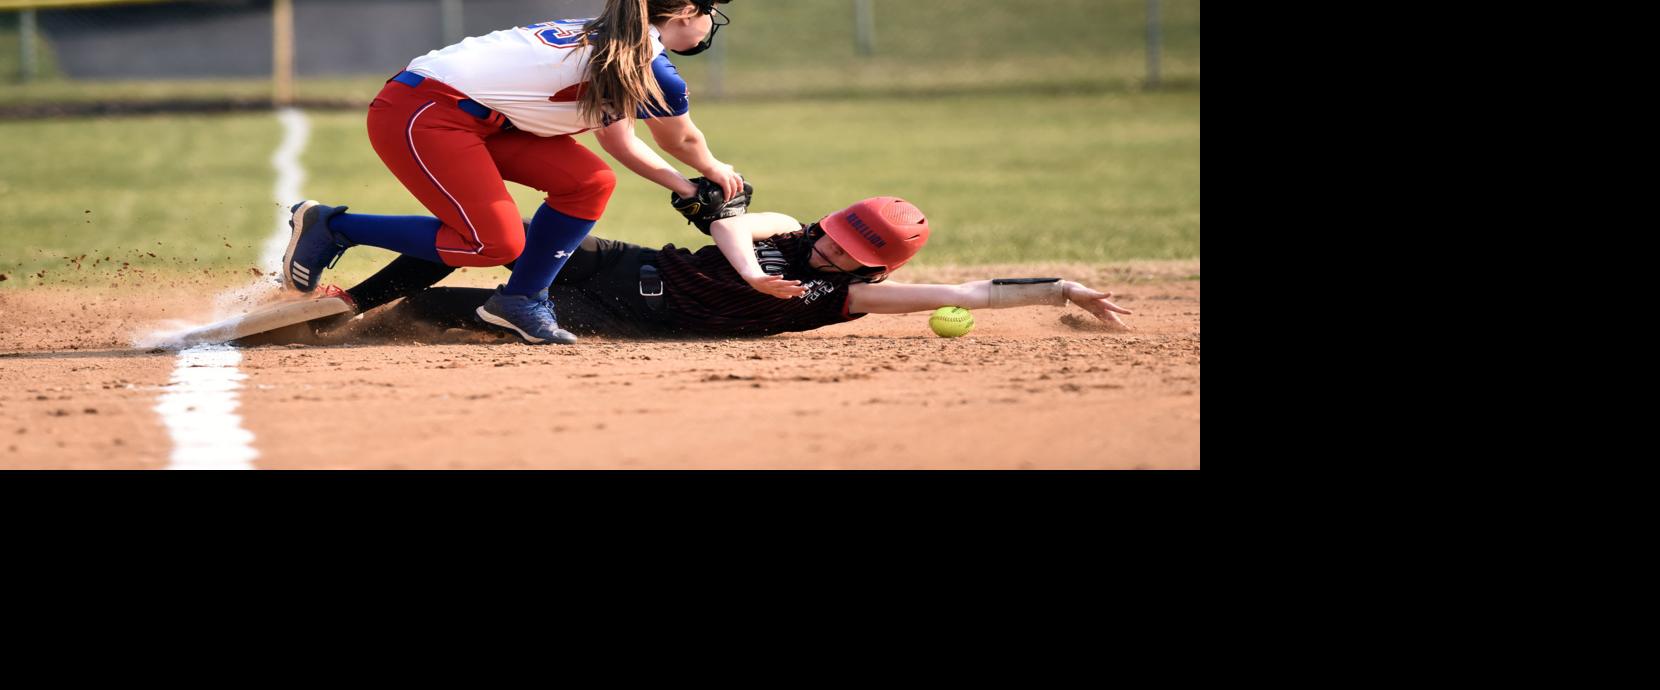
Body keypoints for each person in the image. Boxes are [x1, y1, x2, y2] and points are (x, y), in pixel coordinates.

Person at [281, 0, 741, 345]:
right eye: (711, 12)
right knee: (493, 243)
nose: (710, 23)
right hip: (424, 112)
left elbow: (619, 140)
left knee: (589, 181)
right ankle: (334, 226)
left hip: (476, 119)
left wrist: (684, 187)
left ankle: (520, 301)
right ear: (684, 11)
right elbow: (680, 139)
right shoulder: (645, 62)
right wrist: (714, 170)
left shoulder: (618, 46)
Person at [319, 196, 1131, 339]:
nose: (831, 248)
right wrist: (748, 272)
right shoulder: (783, 234)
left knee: (444, 313)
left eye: (852, 251)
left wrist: (1058, 287)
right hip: (622, 264)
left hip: (623, 322)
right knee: (497, 243)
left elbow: (964, 293)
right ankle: (346, 294)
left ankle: (374, 313)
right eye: (839, 231)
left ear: (871, 269)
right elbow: (738, 228)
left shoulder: (842, 302)